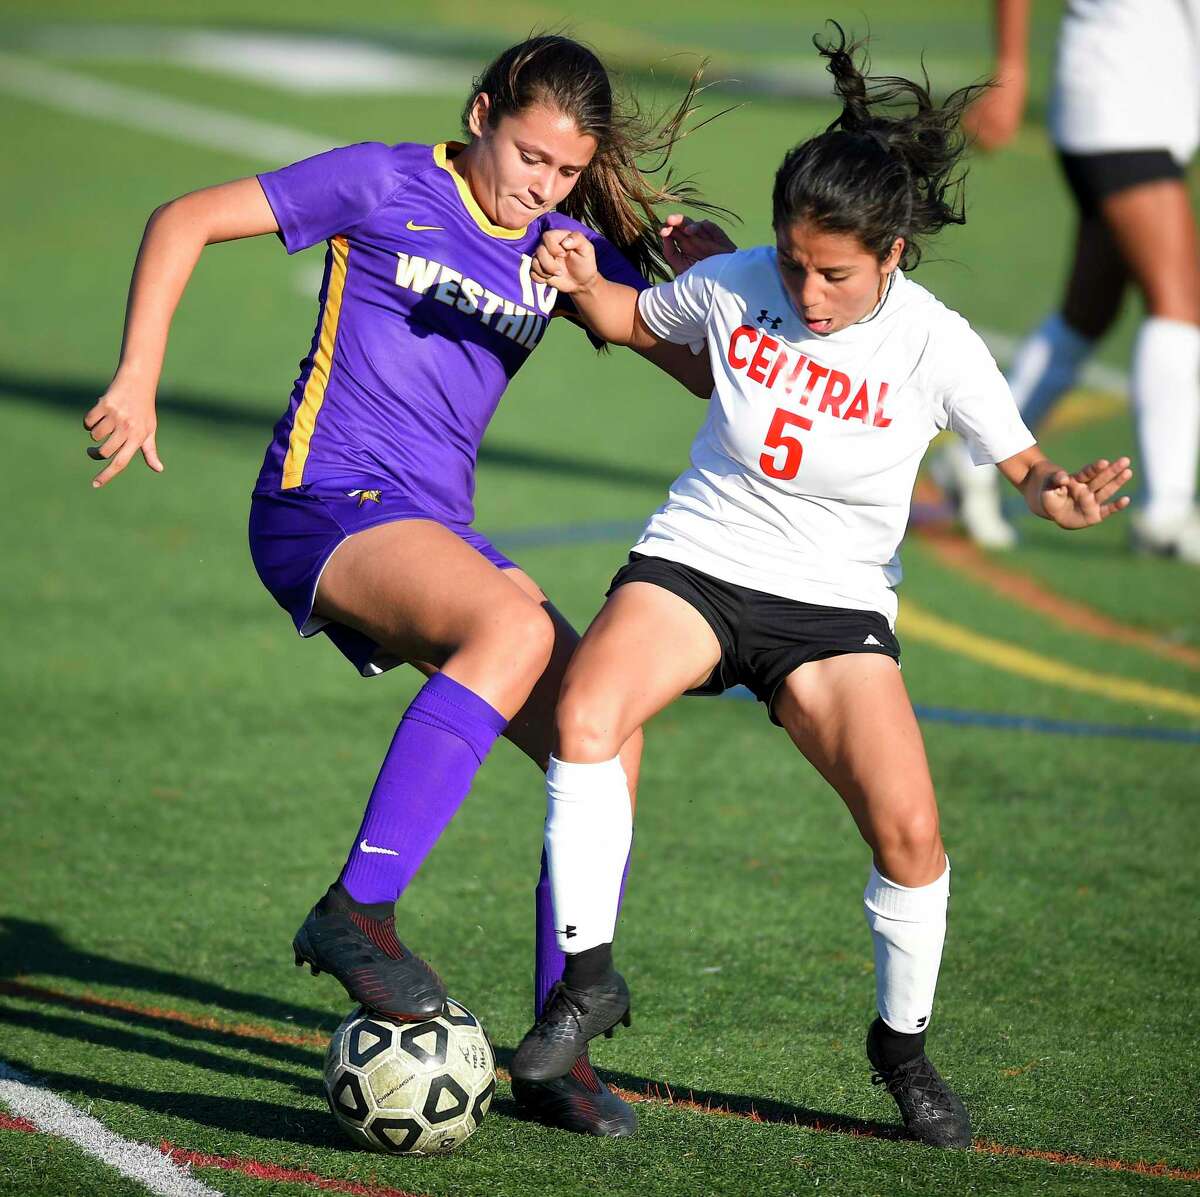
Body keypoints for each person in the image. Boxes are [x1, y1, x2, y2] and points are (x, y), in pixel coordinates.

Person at [82, 34, 734, 1138]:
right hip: (321, 505)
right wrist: (137, 377)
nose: (542, 185)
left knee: (604, 730)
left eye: (566, 171)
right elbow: (182, 218)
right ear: (482, 115)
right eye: (528, 155)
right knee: (511, 628)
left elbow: (716, 378)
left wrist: (711, 279)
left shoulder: (564, 245)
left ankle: (556, 1043)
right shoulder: (387, 180)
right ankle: (359, 910)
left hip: (427, 528)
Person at [506, 25, 1133, 1149]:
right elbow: (624, 316)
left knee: (911, 834)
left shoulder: (937, 345)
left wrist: (1064, 494)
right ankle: (588, 980)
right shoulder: (742, 282)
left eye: (833, 272)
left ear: (892, 255)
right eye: (794, 262)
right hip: (702, 559)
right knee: (586, 715)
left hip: (834, 609)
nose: (807, 288)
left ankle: (901, 1048)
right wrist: (577, 279)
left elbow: (1028, 465)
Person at [939, 0, 1199, 558]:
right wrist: (1008, 72)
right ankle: (1167, 514)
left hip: (1148, 104)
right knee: (1179, 307)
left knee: (1091, 308)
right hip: (1121, 102)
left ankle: (971, 462)